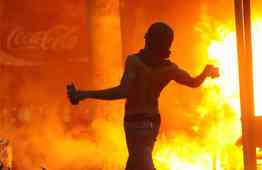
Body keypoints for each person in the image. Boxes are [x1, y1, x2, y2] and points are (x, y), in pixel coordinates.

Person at [67, 22, 219, 170]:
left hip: (135, 123)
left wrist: (85, 94)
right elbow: (193, 82)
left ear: (148, 40)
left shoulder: (134, 62)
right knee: (136, 163)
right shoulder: (169, 69)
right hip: (152, 122)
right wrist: (205, 73)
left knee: (142, 162)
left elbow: (123, 91)